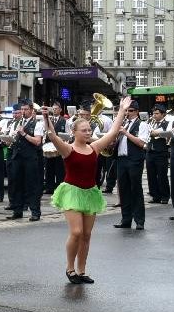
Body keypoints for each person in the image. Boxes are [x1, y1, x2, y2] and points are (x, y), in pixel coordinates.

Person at [42, 96, 133, 284]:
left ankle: (82, 270)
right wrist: (46, 118)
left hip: (90, 192)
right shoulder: (68, 149)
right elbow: (52, 135)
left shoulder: (95, 147)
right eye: (84, 130)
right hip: (72, 192)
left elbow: (114, 131)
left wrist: (122, 110)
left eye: (89, 130)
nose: (87, 132)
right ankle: (70, 268)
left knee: (86, 235)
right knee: (76, 232)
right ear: (74, 132)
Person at [111, 106, 149, 229]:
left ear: (137, 112)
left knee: (136, 189)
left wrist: (126, 133)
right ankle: (126, 219)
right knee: (123, 190)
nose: (127, 113)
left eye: (130, 111)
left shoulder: (142, 124)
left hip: (134, 159)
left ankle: (139, 221)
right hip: (121, 159)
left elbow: (142, 143)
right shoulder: (124, 123)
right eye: (126, 111)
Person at [7, 100, 46, 221]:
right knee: (16, 184)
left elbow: (37, 141)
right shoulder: (18, 122)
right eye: (22, 109)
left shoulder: (37, 124)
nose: (23, 112)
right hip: (17, 157)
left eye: (25, 109)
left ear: (31, 110)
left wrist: (23, 134)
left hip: (30, 158)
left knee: (32, 185)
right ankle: (17, 210)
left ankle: (35, 211)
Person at [145, 107, 171, 205]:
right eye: (153, 113)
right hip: (150, 151)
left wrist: (155, 132)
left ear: (163, 114)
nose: (154, 115)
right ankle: (155, 195)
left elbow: (166, 135)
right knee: (151, 175)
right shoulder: (151, 123)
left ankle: (165, 196)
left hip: (161, 152)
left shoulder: (167, 123)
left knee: (162, 175)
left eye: (156, 113)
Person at [42, 102, 68, 195]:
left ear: (60, 110)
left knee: (59, 169)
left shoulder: (64, 121)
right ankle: (49, 187)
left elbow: (66, 134)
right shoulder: (48, 119)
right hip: (49, 146)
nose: (54, 110)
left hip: (59, 147)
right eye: (53, 108)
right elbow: (45, 130)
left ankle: (60, 188)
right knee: (49, 169)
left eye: (56, 108)